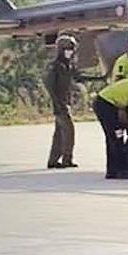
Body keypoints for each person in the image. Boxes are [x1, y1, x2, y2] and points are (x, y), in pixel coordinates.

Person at [44, 35, 79, 169]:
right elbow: (50, 86)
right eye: (68, 48)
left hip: (65, 103)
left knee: (59, 133)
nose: (71, 51)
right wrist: (57, 104)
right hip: (61, 105)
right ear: (61, 49)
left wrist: (102, 77)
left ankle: (53, 161)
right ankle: (67, 159)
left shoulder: (68, 65)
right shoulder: (56, 66)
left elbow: (78, 78)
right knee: (69, 131)